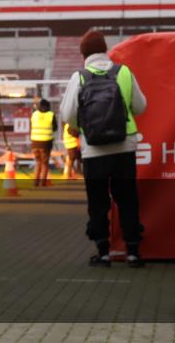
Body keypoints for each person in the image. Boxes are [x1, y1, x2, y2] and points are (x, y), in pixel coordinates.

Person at [59, 29, 147, 268]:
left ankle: (103, 252)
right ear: (105, 49)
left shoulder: (79, 77)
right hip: (124, 146)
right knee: (127, 199)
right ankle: (133, 252)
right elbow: (140, 107)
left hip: (94, 150)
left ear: (84, 54)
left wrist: (81, 125)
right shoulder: (125, 72)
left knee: (98, 202)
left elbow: (67, 114)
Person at [29, 99, 55, 187]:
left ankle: (35, 183)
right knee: (44, 163)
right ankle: (42, 183)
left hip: (35, 142)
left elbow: (31, 125)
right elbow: (55, 128)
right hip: (46, 143)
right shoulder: (51, 115)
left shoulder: (34, 114)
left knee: (38, 162)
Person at [62, 112, 82, 179]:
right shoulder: (70, 125)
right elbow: (74, 133)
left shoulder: (67, 124)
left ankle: (77, 173)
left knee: (77, 159)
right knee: (72, 159)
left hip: (71, 144)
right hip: (72, 144)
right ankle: (69, 175)